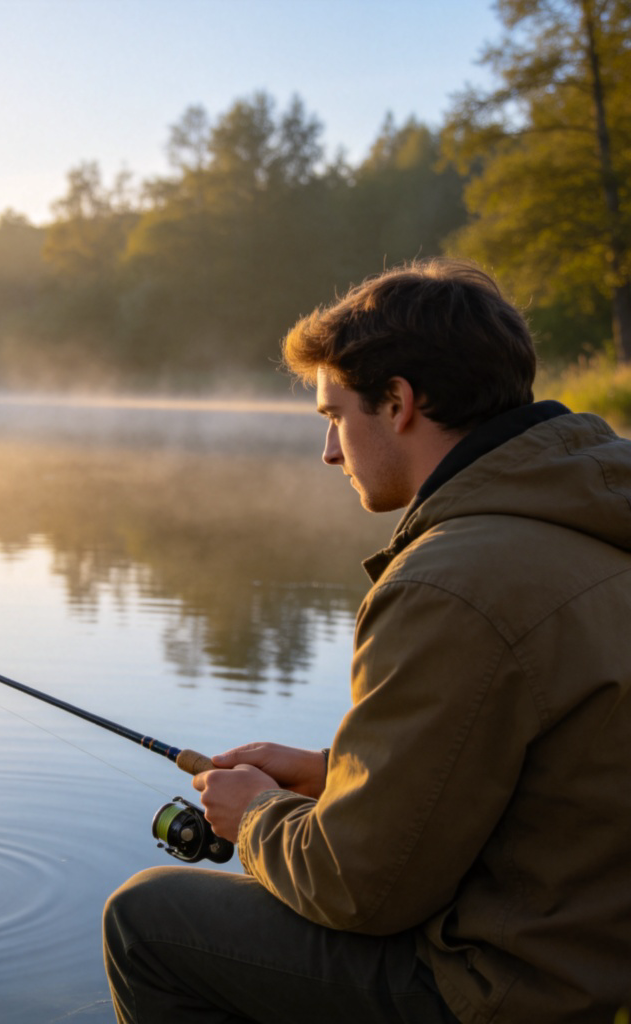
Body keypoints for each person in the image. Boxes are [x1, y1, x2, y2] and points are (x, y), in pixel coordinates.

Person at [102, 258, 631, 1024]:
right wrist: (330, 775)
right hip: (598, 951)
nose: (327, 452)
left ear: (398, 404)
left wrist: (254, 817)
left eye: (333, 417)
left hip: (510, 990)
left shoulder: (451, 581)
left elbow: (360, 891)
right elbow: (544, 767)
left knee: (147, 920)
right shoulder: (593, 520)